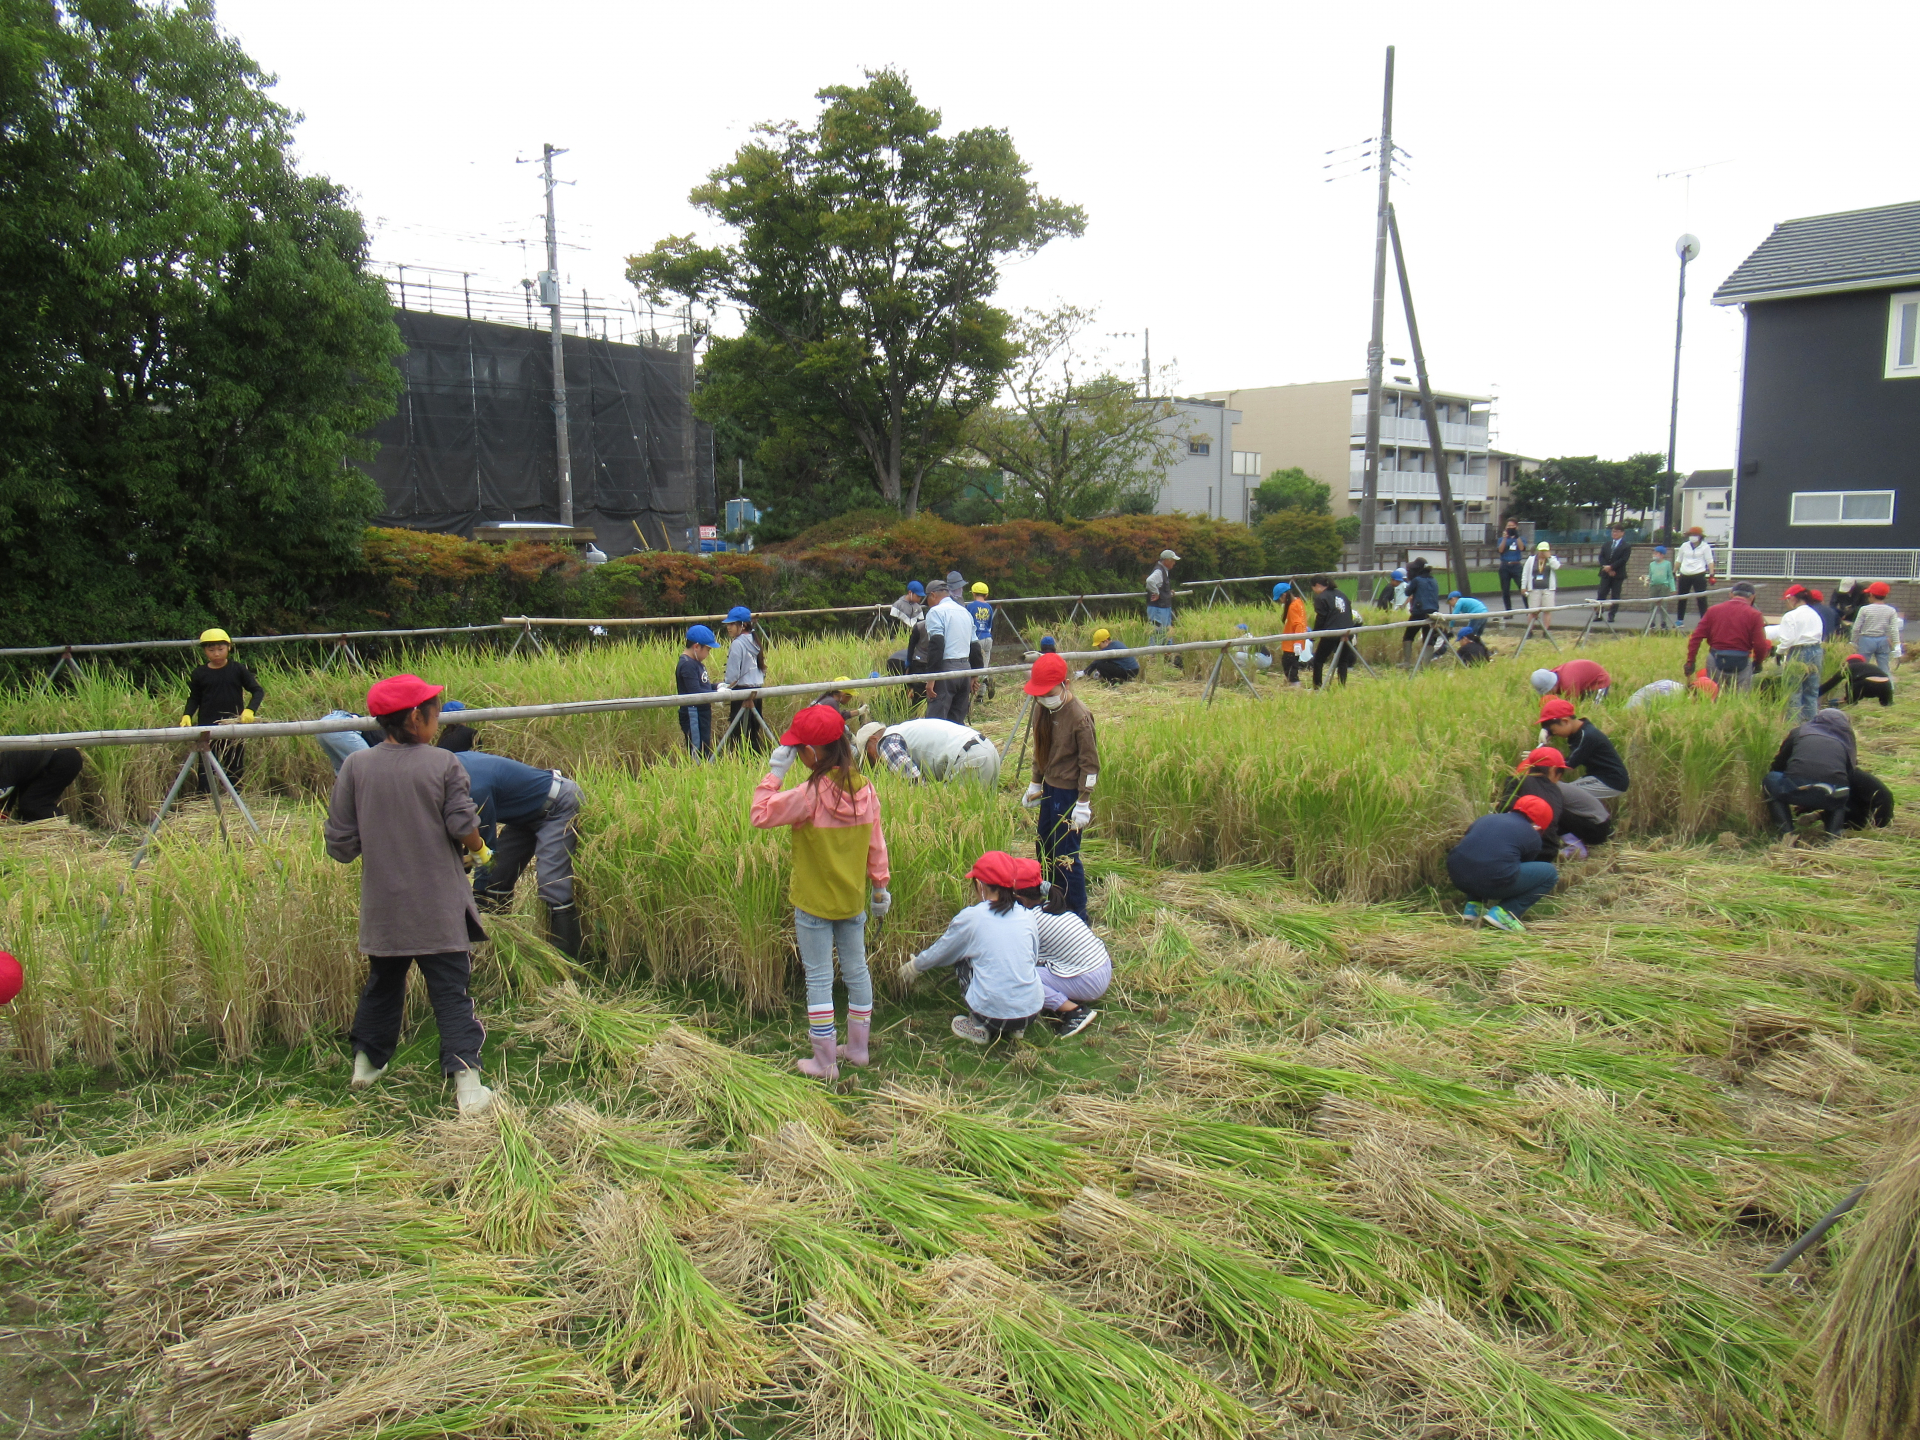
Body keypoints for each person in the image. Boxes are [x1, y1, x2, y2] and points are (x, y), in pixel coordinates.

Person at [324, 674, 494, 1117]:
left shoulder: (356, 768)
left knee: (383, 986)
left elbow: (340, 846)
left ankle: (365, 1066)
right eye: (435, 712)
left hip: (385, 908)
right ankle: (469, 1088)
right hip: (437, 906)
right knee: (450, 991)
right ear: (417, 717)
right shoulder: (443, 763)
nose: (437, 720)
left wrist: (382, 838)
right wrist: (479, 849)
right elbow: (463, 825)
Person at [750, 705, 890, 1081]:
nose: (797, 756)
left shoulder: (808, 794)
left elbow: (759, 814)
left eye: (799, 750)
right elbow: (877, 846)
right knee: (857, 969)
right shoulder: (866, 790)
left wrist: (773, 774)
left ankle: (824, 1060)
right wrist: (880, 888)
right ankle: (858, 1049)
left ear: (812, 752)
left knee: (818, 978)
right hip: (851, 901)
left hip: (813, 903)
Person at [897, 850, 1044, 1046]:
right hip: (1030, 1012)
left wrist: (915, 966)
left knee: (961, 956)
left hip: (990, 1014)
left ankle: (977, 1025)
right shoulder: (1027, 915)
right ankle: (1016, 1030)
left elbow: (943, 950)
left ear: (981, 885)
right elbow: (1033, 958)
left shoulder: (972, 917)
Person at [458, 749, 585, 958]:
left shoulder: (475, 788)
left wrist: (478, 896)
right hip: (523, 815)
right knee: (497, 879)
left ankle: (566, 968)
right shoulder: (451, 767)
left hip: (557, 805)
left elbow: (486, 851)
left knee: (552, 884)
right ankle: (499, 956)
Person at [1021, 653, 1098, 920]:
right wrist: (1034, 782)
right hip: (1049, 790)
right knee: (1044, 846)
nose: (1043, 696)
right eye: (1039, 692)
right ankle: (1054, 901)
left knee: (1066, 857)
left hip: (1069, 793)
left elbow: (1090, 764)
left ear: (1065, 684)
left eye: (1048, 691)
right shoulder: (1043, 709)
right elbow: (1040, 750)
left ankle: (1077, 914)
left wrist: (1084, 801)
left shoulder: (1079, 717)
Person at [1013, 857, 1106, 1036]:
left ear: (1019, 899)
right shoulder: (1051, 907)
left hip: (1090, 980)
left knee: (1017, 976)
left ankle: (1074, 1012)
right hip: (1100, 968)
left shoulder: (1030, 921)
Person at [1444, 795, 1558, 933]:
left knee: (1480, 855)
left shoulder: (1485, 818)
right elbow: (1518, 870)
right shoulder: (1532, 836)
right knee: (1549, 873)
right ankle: (1506, 913)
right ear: (1539, 826)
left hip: (1458, 877)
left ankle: (1474, 907)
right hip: (1491, 881)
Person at [179, 628, 265, 789]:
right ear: (205, 651)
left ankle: (235, 800)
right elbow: (194, 698)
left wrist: (250, 710)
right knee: (206, 765)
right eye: (211, 650)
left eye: (220, 649)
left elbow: (257, 690)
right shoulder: (200, 673)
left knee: (235, 763)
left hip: (233, 724)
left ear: (229, 648)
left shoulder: (237, 669)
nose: (216, 654)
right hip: (207, 725)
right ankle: (204, 801)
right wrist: (187, 715)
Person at [1503, 745, 1613, 853]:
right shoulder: (1548, 786)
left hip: (1596, 827)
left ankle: (1574, 847)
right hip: (1597, 823)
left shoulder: (1552, 789)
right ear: (1553, 771)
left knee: (1546, 809)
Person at [1764, 709, 1855, 841]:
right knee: (1840, 791)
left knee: (1771, 778)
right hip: (1832, 793)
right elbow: (1850, 774)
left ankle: (1786, 835)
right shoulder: (1847, 740)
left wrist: (1802, 788)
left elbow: (1779, 764)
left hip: (1796, 785)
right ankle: (1833, 836)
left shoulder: (1799, 732)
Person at [854, 718, 1001, 788]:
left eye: (868, 755)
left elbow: (915, 785)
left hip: (970, 758)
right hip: (987, 749)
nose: (874, 762)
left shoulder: (886, 743)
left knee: (955, 816)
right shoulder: (903, 730)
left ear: (874, 740)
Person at [1540, 698, 1629, 809]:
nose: (1555, 733)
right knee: (1567, 794)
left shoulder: (1586, 736)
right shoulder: (1580, 729)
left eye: (1554, 730)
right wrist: (1547, 731)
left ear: (1565, 721)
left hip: (1610, 781)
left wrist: (1540, 757)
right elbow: (1560, 727)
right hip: (1598, 777)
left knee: (1561, 793)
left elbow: (1569, 764)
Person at [1684, 582, 1771, 691]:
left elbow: (1696, 637)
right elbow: (1760, 644)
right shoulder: (1755, 615)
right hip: (1742, 660)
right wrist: (1758, 662)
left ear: (1731, 594)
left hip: (1715, 659)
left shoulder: (1713, 610)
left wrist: (1690, 661)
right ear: (1753, 597)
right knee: (1740, 700)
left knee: (1713, 695)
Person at [1769, 587, 1827, 725]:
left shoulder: (1791, 616)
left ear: (1794, 598)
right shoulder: (1815, 614)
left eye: (1788, 599)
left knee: (1794, 691)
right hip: (1816, 651)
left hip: (1798, 652)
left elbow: (1788, 640)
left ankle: (1794, 725)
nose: (1787, 602)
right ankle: (1812, 723)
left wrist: (1779, 652)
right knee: (1811, 691)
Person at [923, 579, 976, 724]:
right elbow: (975, 646)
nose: (928, 604)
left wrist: (931, 678)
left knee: (936, 722)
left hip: (946, 671)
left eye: (927, 599)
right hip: (965, 670)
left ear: (932, 595)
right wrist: (974, 675)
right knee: (957, 722)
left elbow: (937, 644)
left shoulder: (936, 612)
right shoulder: (964, 612)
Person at [721, 606, 770, 752]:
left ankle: (740, 764)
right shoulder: (755, 641)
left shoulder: (737, 643)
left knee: (738, 734)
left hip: (741, 692)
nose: (729, 628)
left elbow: (732, 676)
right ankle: (755, 763)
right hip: (757, 691)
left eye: (732, 624)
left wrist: (724, 687)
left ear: (743, 625)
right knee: (753, 732)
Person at [0, 748, 84, 822]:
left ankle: (63, 828)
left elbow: (3, 810)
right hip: (48, 763)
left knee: (33, 806)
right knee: (25, 814)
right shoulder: (6, 764)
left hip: (62, 759)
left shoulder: (4, 773)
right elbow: (7, 802)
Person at [676, 625, 721, 758]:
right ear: (696, 647)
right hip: (693, 713)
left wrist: (718, 687)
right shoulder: (687, 665)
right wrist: (716, 696)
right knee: (698, 751)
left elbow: (704, 686)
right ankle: (699, 773)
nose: (708, 654)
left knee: (705, 747)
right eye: (707, 649)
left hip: (702, 712)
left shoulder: (696, 662)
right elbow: (695, 692)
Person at [1309, 576, 1356, 689]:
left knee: (1319, 660)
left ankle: (1317, 686)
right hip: (1347, 631)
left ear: (1318, 586)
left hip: (1331, 632)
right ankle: (1341, 686)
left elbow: (1321, 617)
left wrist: (1315, 633)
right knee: (1343, 661)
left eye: (1313, 588)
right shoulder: (1342, 595)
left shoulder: (1322, 598)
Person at [1852, 583, 1899, 677]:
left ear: (1871, 595)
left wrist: (1853, 641)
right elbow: (1894, 629)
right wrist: (1897, 644)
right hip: (1883, 639)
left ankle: (1862, 686)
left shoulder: (1864, 609)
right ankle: (1889, 687)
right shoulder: (1891, 610)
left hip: (1866, 639)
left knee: (1862, 666)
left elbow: (1856, 628)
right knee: (1884, 667)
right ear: (1885, 596)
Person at [1402, 558, 1441, 668]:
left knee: (1408, 636)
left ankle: (1407, 662)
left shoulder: (1417, 580)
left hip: (1419, 612)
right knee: (1428, 639)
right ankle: (1425, 665)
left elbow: (1407, 592)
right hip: (1433, 613)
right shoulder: (1434, 580)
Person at [1820, 652, 1895, 708]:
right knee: (1887, 706)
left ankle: (1850, 703)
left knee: (1850, 683)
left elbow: (1831, 683)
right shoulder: (1871, 666)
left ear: (1848, 662)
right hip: (1886, 684)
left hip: (1868, 685)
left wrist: (1816, 693)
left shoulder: (1848, 668)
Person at [1674, 527, 1715, 624]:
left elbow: (1709, 560)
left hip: (1699, 574)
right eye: (1691, 535)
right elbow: (1679, 559)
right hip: (1685, 574)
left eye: (1695, 535)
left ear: (1700, 537)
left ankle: (1704, 621)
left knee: (1701, 598)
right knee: (1682, 598)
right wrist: (1674, 571)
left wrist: (1712, 573)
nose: (1692, 537)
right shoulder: (1684, 546)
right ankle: (1680, 620)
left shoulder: (1705, 547)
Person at [1595, 524, 1632, 624]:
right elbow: (1601, 557)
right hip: (1605, 573)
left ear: (1622, 533)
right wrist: (1606, 568)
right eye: (1613, 531)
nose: (1614, 533)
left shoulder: (1626, 546)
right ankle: (1598, 614)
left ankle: (1612, 615)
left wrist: (1612, 567)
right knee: (1601, 593)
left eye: (1616, 532)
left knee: (1615, 595)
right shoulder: (1607, 544)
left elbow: (1623, 559)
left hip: (1617, 574)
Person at [966, 583, 997, 698]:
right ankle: (981, 696)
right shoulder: (989, 607)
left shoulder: (970, 606)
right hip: (987, 638)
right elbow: (990, 625)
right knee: (984, 666)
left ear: (973, 593)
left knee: (973, 666)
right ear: (986, 594)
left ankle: (975, 689)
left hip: (975, 639)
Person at [1276, 582, 1310, 685]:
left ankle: (1295, 688)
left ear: (1284, 595)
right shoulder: (1299, 602)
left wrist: (1297, 642)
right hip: (1293, 642)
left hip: (1292, 644)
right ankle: (1293, 685)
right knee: (1291, 665)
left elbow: (1298, 624)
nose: (1280, 601)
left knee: (1290, 667)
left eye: (1280, 598)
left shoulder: (1293, 607)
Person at [1530, 659, 1611, 701]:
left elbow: (1571, 709)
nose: (1547, 694)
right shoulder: (1553, 674)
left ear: (1553, 686)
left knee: (1593, 711)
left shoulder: (1568, 685)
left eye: (1548, 691)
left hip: (1599, 681)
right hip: (1582, 683)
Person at [1521, 543, 1560, 629]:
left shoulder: (1552, 559)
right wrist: (1523, 586)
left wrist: (1549, 557)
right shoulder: (1531, 560)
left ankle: (1545, 630)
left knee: (1547, 610)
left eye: (1545, 551)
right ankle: (1530, 630)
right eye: (1541, 551)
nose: (1543, 553)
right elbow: (1525, 573)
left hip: (1548, 589)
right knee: (1533, 611)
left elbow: (1556, 567)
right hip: (1534, 588)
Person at [1145, 549, 1179, 640]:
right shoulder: (1159, 571)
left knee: (1166, 632)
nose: (1174, 563)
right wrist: (1156, 592)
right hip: (1158, 608)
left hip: (1163, 607)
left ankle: (1167, 653)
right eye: (1173, 560)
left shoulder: (1164, 570)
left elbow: (1160, 585)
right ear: (1167, 560)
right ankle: (1152, 653)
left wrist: (1168, 591)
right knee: (1157, 633)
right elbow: (1150, 581)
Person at [1496, 520, 1528, 611]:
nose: (1510, 528)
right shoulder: (1501, 539)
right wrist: (1505, 538)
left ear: (1516, 527)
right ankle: (1508, 610)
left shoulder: (1521, 538)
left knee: (1522, 588)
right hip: (1505, 566)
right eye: (1508, 526)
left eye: (1512, 526)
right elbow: (1500, 550)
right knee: (1505, 590)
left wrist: (1516, 536)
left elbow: (1522, 548)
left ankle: (1528, 609)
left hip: (1516, 565)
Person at [1645, 546, 1676, 630]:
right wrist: (1646, 579)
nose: (1654, 555)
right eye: (1653, 553)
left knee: (1663, 605)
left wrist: (1673, 588)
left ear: (1662, 555)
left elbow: (1670, 577)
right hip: (1653, 586)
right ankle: (1652, 622)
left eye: (1656, 553)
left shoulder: (1667, 564)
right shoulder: (1651, 564)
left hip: (1664, 586)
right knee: (1652, 605)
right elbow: (1650, 575)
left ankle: (1663, 622)